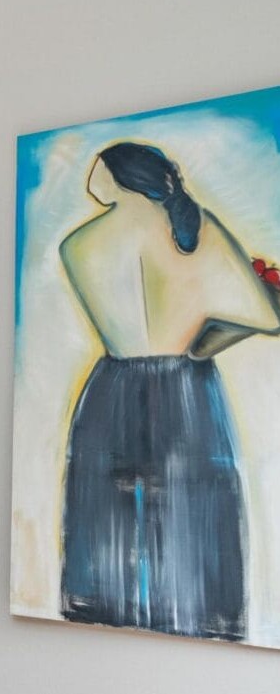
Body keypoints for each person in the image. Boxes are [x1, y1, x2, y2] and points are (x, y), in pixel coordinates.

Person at [57, 141, 280, 639]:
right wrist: (201, 345)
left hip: (110, 390)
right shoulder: (195, 232)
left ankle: (97, 629)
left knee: (106, 534)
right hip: (185, 392)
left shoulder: (76, 245)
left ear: (119, 179)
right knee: (195, 529)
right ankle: (203, 632)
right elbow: (267, 316)